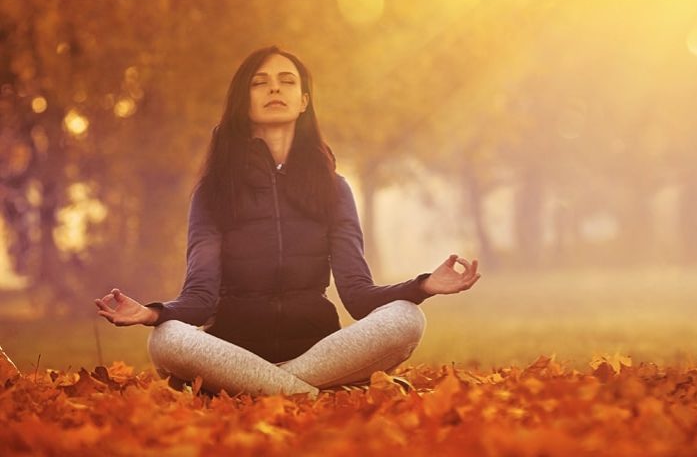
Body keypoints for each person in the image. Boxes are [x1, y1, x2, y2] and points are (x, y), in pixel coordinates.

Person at [94, 46, 480, 397]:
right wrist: (152, 313)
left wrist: (425, 285)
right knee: (166, 340)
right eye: (259, 82)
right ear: (243, 102)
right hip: (230, 350)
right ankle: (319, 394)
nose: (274, 89)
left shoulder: (334, 189)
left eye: (287, 81)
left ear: (303, 101)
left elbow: (359, 296)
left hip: (316, 350)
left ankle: (261, 390)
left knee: (407, 318)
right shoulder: (214, 191)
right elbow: (199, 297)